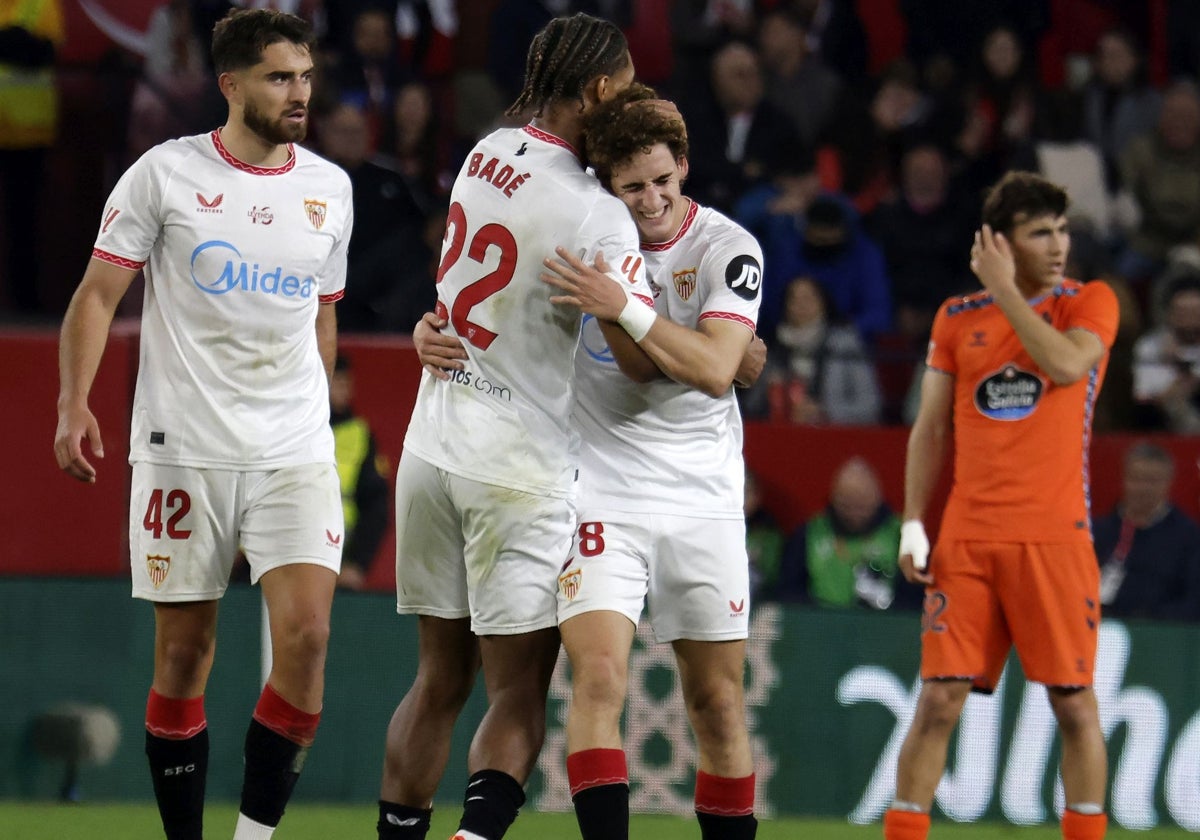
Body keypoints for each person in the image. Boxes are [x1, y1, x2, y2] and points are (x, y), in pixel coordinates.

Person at [53, 10, 352, 840]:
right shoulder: (165, 175)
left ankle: (254, 838)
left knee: (308, 637)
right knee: (185, 656)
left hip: (292, 447)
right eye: (278, 78)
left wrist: (315, 410)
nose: (299, 94)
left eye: (304, 76)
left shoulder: (331, 187)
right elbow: (96, 295)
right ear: (231, 84)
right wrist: (72, 401)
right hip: (184, 446)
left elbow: (322, 315)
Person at [376, 15, 649, 840]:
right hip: (517, 465)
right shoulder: (599, 214)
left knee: (436, 681)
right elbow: (639, 358)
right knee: (517, 695)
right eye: (627, 88)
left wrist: (433, 326)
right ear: (598, 90)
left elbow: (464, 290)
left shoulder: (483, 154)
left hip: (431, 444)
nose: (631, 104)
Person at [541, 83, 763, 840]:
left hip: (702, 499)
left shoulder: (729, 249)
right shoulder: (581, 239)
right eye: (632, 187)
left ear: (685, 169)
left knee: (718, 705)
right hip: (600, 491)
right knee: (599, 679)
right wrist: (431, 329)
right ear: (607, 185)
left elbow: (714, 369)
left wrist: (621, 304)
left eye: (663, 181)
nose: (651, 201)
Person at [886, 171, 1118, 840]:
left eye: (1062, 230)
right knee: (936, 702)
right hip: (968, 540)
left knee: (1074, 707)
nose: (1058, 244)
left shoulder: (1090, 302)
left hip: (1055, 538)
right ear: (999, 240)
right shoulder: (956, 318)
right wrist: (911, 523)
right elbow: (930, 429)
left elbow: (1069, 366)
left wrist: (1007, 292)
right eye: (1040, 232)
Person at [0, 0, 63, 315]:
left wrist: (13, 42)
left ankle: (25, 304)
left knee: (24, 223)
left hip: (27, 133)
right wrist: (13, 39)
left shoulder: (40, 5)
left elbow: (42, 54)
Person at [778, 456, 907, 609]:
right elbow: (789, 591)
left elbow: (914, 595)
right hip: (820, 626)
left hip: (885, 626)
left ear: (877, 497)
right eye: (846, 504)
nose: (854, 513)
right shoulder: (809, 533)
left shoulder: (900, 534)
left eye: (862, 505)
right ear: (833, 498)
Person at [1092, 441, 1200, 622]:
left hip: (1160, 637)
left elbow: (1193, 602)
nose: (1143, 488)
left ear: (1169, 482)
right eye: (1136, 479)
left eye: (1152, 480)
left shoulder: (1188, 538)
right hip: (1102, 630)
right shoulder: (1099, 531)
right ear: (1124, 479)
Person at [330, 354, 389, 590]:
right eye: (338, 383)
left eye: (348, 384)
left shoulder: (359, 434)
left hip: (341, 554)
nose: (345, 391)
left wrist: (357, 563)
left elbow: (376, 505)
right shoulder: (295, 428)